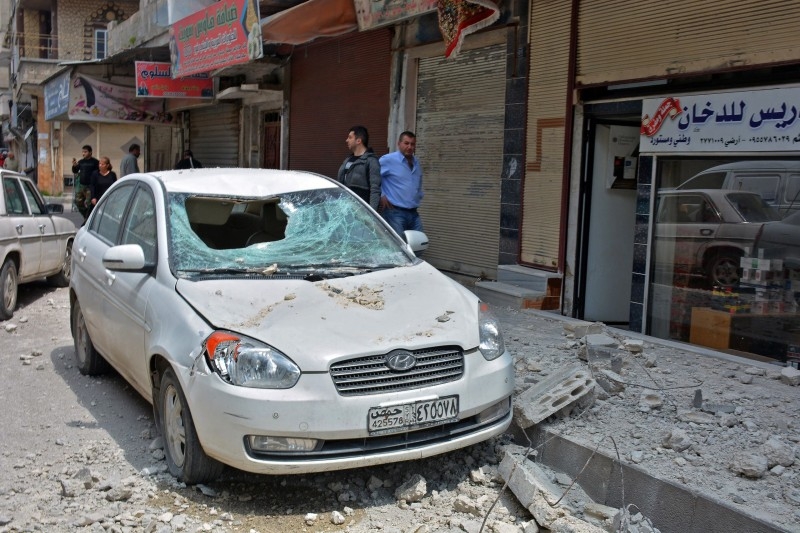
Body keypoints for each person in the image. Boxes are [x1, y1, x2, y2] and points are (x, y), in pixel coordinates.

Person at [379, 131, 424, 234]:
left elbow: (418, 182)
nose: (409, 147)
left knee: (419, 244)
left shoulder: (416, 162)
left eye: (412, 144)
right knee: (400, 246)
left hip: (413, 212)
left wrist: (419, 195)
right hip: (395, 212)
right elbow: (373, 177)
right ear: (399, 144)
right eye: (406, 143)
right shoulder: (388, 160)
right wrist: (382, 194)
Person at [336, 125, 381, 210]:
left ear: (358, 140)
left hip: (361, 212)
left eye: (350, 137)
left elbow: (375, 190)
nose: (347, 140)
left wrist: (371, 215)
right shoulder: (347, 160)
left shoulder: (371, 161)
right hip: (346, 210)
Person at [72, 145, 99, 220]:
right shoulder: (81, 162)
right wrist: (74, 166)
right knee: (78, 202)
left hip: (90, 187)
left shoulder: (95, 162)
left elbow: (98, 173)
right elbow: (75, 171)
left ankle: (89, 218)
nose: (83, 153)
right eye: (82, 152)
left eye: (85, 152)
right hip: (81, 186)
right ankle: (86, 216)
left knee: (89, 204)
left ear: (90, 152)